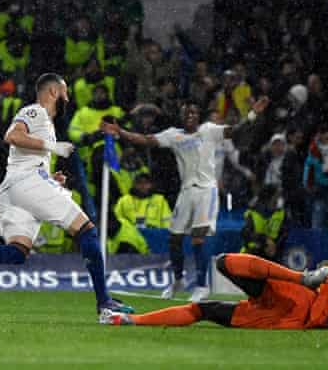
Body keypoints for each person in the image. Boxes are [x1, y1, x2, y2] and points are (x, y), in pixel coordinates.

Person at [0, 73, 134, 316]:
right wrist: (53, 147)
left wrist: (50, 179)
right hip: (26, 184)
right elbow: (12, 136)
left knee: (17, 252)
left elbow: (24, 159)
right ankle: (104, 301)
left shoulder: (46, 125)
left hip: (16, 188)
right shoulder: (36, 112)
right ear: (53, 92)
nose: (68, 97)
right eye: (65, 92)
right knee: (87, 231)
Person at [102, 96, 270, 302]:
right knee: (174, 238)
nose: (190, 115)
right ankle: (178, 280)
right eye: (186, 113)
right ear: (181, 116)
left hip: (206, 190)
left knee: (198, 236)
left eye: (193, 113)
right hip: (186, 191)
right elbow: (146, 140)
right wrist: (120, 132)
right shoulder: (174, 135)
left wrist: (253, 113)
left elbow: (235, 130)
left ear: (198, 116)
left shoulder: (208, 130)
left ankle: (201, 285)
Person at [100, 216, 328, 329]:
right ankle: (130, 320)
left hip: (296, 295)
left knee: (224, 262)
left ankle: (300, 276)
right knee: (204, 311)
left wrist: (325, 270)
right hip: (288, 321)